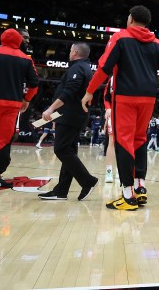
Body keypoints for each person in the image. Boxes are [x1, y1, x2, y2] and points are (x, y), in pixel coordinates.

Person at [81, 5, 159, 211]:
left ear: (130, 18)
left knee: (124, 142)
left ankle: (127, 195)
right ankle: (140, 187)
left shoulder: (120, 38)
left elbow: (104, 68)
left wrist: (89, 91)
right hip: (148, 98)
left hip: (125, 97)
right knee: (140, 139)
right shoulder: (157, 42)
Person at [0, 29, 39, 194]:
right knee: (3, 142)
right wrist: (26, 100)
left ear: (2, 38)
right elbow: (34, 83)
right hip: (13, 106)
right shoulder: (26, 59)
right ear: (19, 41)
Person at [38, 43, 99, 201]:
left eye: (71, 50)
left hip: (70, 115)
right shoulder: (85, 67)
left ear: (76, 52)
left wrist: (51, 109)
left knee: (61, 149)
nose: (69, 52)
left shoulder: (78, 68)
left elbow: (70, 90)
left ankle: (88, 181)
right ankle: (61, 191)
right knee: (68, 151)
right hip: (74, 115)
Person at [102, 77, 115, 183]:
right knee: (111, 142)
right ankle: (109, 171)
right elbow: (106, 96)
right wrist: (108, 108)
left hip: (129, 113)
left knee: (125, 143)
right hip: (114, 113)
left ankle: (123, 170)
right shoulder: (112, 78)